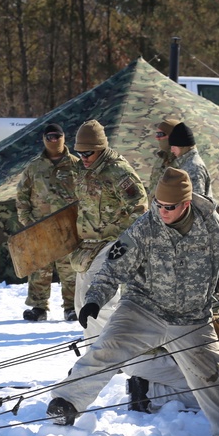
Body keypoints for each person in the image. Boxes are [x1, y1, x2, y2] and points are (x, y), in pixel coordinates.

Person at [47, 168, 219, 436]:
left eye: (169, 207)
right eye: (158, 204)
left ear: (186, 204)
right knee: (107, 348)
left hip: (191, 319)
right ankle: (67, 402)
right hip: (142, 309)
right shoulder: (145, 227)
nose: (162, 211)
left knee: (216, 376)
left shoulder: (211, 226)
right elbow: (113, 268)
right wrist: (94, 300)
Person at [68, 120, 147, 340]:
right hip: (87, 247)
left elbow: (140, 209)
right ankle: (94, 353)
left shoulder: (118, 171)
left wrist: (126, 248)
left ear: (101, 148)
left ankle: (109, 355)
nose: (83, 158)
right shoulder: (83, 169)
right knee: (81, 306)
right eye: (80, 153)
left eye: (88, 153)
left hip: (113, 244)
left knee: (98, 305)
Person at [15, 123, 80, 322]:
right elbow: (22, 195)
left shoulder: (76, 165)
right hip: (39, 227)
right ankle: (38, 307)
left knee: (69, 269)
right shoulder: (34, 167)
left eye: (57, 136)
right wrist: (27, 221)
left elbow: (87, 193)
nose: (53, 141)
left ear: (63, 138)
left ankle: (71, 307)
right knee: (39, 268)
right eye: (49, 137)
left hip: (67, 226)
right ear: (44, 139)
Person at [168, 122, 213, 201]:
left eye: (173, 146)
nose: (171, 150)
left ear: (182, 145)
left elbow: (197, 201)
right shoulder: (187, 163)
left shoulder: (193, 167)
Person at [145, 117, 181, 196]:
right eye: (157, 134)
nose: (157, 138)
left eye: (160, 134)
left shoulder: (184, 162)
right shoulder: (161, 158)